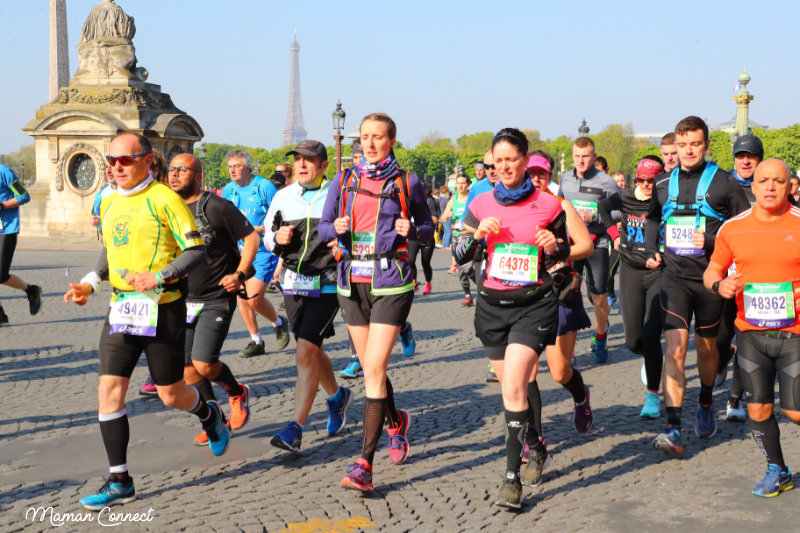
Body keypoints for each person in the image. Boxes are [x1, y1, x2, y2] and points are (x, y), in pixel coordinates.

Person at [64, 132, 229, 510]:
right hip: (122, 308)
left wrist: (160, 275)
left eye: (125, 160)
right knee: (109, 392)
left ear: (147, 160)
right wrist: (90, 283)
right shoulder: (108, 201)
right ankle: (120, 480)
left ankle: (208, 413)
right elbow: (110, 248)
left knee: (172, 394)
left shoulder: (164, 199)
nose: (116, 167)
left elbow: (196, 250)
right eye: (111, 161)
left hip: (163, 306)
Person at [319, 112, 434, 492]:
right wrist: (332, 230)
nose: (369, 143)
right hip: (352, 281)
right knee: (372, 368)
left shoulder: (407, 181)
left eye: (377, 137)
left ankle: (364, 463)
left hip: (392, 280)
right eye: (364, 136)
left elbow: (428, 228)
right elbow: (323, 227)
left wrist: (413, 229)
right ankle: (396, 421)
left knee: (374, 365)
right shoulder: (344, 179)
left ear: (391, 142)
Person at [458, 128, 570, 510]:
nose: (504, 167)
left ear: (525, 161)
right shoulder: (480, 202)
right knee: (512, 389)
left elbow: (564, 255)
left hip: (533, 305)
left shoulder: (548, 204)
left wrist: (555, 246)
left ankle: (511, 479)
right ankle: (537, 446)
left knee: (512, 389)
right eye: (498, 160)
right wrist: (476, 238)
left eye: (511, 159)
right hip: (492, 306)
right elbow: (458, 252)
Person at [644, 116, 750, 454]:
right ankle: (673, 426)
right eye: (683, 144)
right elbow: (651, 217)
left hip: (710, 281)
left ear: (705, 146)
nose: (688, 150)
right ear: (675, 146)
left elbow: (743, 229)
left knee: (706, 349)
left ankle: (705, 401)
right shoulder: (662, 183)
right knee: (674, 349)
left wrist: (709, 239)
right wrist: (651, 250)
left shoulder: (723, 183)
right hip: (673, 278)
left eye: (695, 144)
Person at [704, 158, 800, 498]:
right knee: (759, 408)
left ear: (791, 186)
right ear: (753, 186)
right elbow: (713, 270)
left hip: (795, 333)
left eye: (778, 181)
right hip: (751, 333)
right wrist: (720, 286)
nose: (770, 186)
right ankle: (778, 469)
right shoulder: (733, 227)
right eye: (764, 181)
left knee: (795, 410)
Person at [264, 140, 354, 454]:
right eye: (298, 160)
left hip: (327, 280)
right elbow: (267, 234)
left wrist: (342, 241)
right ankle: (337, 397)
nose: (302, 165)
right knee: (311, 347)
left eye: (310, 160)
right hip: (293, 281)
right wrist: (276, 238)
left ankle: (295, 428)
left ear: (323, 165)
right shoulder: (283, 196)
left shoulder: (338, 194)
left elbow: (355, 230)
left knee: (304, 350)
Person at [167, 153, 258, 446]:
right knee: (186, 370)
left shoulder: (217, 206)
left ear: (198, 173)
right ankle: (215, 420)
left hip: (216, 296)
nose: (174, 174)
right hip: (182, 298)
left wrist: (240, 274)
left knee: (204, 364)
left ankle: (236, 391)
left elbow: (252, 238)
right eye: (171, 169)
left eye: (182, 169)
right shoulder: (168, 208)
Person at [528, 150, 595, 444]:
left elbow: (586, 246)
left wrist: (560, 249)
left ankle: (580, 396)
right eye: (530, 173)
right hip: (524, 295)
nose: (535, 179)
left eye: (541, 174)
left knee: (559, 371)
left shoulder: (561, 206)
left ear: (550, 176)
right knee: (526, 374)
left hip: (557, 292)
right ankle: (535, 439)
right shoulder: (513, 206)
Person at [599, 156, 665, 418]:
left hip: (659, 273)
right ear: (636, 178)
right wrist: (614, 236)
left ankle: (652, 397)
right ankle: (647, 355)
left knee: (651, 335)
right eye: (642, 179)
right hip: (630, 271)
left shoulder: (665, 200)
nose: (647, 185)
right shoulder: (625, 196)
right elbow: (603, 208)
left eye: (652, 180)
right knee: (633, 340)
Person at [221, 149, 289, 357]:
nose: (233, 170)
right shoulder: (228, 190)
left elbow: (281, 218)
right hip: (240, 252)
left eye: (237, 166)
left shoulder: (264, 187)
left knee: (253, 298)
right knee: (241, 297)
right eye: (230, 166)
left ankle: (278, 322)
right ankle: (256, 340)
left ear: (248, 167)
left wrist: (257, 230)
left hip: (263, 251)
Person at [558, 137, 620, 363]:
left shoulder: (606, 182)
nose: (581, 160)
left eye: (585, 156)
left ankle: (601, 336)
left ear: (593, 156)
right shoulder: (565, 179)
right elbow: (559, 208)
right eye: (577, 156)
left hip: (597, 244)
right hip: (572, 245)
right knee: (568, 296)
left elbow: (618, 212)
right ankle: (569, 345)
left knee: (599, 296)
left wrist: (594, 216)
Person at [716, 133, 764, 423]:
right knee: (720, 338)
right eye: (740, 156)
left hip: (758, 279)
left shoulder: (773, 187)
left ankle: (735, 399)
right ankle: (721, 357)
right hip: (725, 277)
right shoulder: (721, 186)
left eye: (751, 156)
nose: (745, 161)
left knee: (748, 339)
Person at [0, 163, 42, 325]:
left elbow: (24, 195)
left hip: (6, 229)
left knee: (1, 275)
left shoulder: (4, 172)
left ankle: (32, 290)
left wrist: (2, 205)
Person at [442, 173, 473, 304]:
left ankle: (482, 289)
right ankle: (468, 295)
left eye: (462, 183)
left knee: (469, 266)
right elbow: (442, 218)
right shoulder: (452, 200)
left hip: (471, 237)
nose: (460, 185)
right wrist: (447, 216)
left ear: (468, 184)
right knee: (463, 268)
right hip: (457, 238)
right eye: (458, 183)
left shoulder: (472, 199)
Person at [407, 186, 438, 295]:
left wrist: (424, 219)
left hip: (426, 236)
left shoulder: (430, 202)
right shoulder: (411, 202)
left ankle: (428, 283)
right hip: (413, 236)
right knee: (410, 260)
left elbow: (435, 219)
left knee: (425, 263)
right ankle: (414, 282)